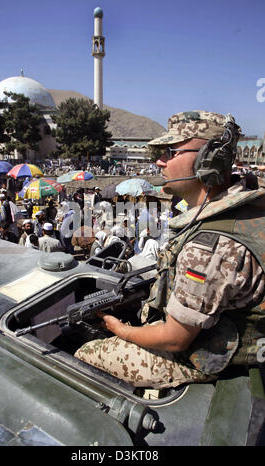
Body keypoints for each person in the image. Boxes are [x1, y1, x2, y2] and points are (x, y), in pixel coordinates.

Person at [75, 110, 265, 389]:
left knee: (85, 355)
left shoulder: (208, 246)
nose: (160, 162)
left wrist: (121, 330)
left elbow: (175, 339)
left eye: (171, 152)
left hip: (207, 350)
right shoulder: (247, 206)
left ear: (209, 159)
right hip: (226, 326)